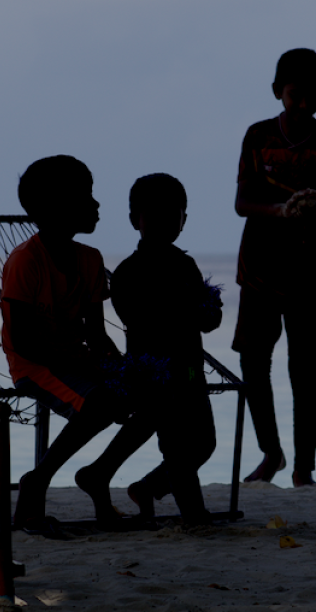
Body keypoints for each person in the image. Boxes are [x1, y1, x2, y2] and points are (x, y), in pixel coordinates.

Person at [1, 155, 147, 532]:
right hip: (34, 364)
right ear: (55, 208)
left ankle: (99, 474)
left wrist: (122, 370)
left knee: (151, 396)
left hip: (76, 361)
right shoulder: (25, 261)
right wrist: (86, 366)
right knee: (99, 402)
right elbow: (22, 342)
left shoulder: (90, 259)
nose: (96, 205)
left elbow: (96, 334)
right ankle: (38, 481)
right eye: (86, 196)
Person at [233, 48, 316, 487]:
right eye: (295, 95)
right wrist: (281, 210)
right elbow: (242, 203)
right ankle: (272, 454)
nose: (304, 105)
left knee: (304, 370)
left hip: (308, 275)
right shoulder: (258, 136)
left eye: (314, 95)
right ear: (277, 92)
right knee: (253, 364)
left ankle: (304, 469)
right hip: (260, 271)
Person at [110, 173, 221, 526]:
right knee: (176, 445)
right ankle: (194, 514)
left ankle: (148, 488)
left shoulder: (185, 264)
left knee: (203, 442)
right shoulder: (127, 272)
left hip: (190, 368)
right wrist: (182, 309)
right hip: (155, 374)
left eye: (173, 216)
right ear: (134, 220)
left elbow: (206, 318)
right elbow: (137, 320)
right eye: (152, 215)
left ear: (183, 221)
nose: (164, 223)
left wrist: (208, 311)